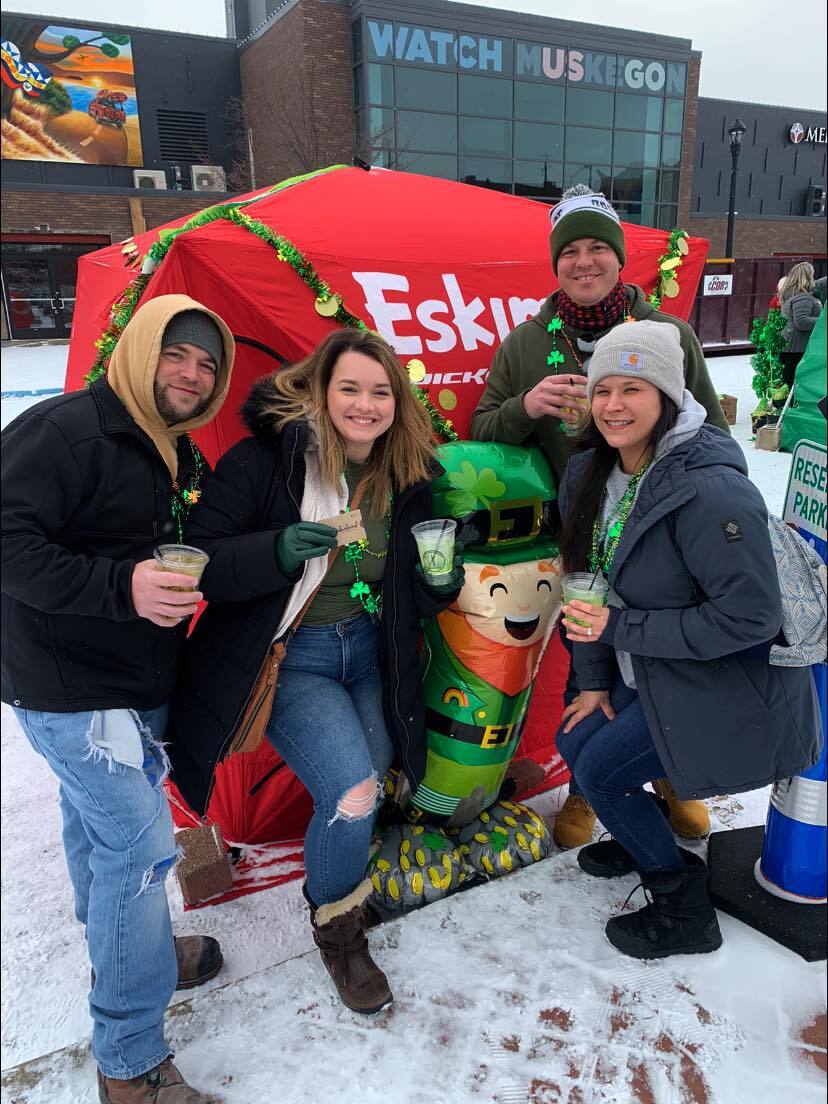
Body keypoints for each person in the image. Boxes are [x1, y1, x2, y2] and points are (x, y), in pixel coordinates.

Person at [166, 328, 463, 1015]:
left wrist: (438, 584)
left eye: (381, 392)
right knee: (352, 790)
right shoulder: (265, 462)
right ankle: (338, 929)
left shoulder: (408, 471)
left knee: (372, 773)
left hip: (370, 650)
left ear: (398, 402)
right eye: (349, 388)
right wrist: (274, 550)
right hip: (293, 658)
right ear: (320, 392)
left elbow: (408, 584)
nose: (365, 405)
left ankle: (341, 880)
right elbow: (203, 560)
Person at [1, 295, 235, 1104]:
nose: (192, 375)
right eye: (178, 354)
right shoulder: (66, 431)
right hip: (69, 687)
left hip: (136, 682)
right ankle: (130, 1063)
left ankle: (128, 953)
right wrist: (119, 585)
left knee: (97, 832)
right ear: (140, 351)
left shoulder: (180, 454)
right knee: (139, 852)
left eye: (207, 364)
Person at [471, 185, 728, 849]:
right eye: (570, 252)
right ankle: (589, 784)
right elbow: (480, 430)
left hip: (664, 534)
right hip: (581, 537)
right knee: (591, 659)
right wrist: (525, 407)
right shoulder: (526, 345)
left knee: (665, 661)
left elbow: (712, 431)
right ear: (555, 264)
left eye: (597, 248)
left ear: (619, 257)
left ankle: (671, 775)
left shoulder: (667, 335)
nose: (583, 262)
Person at [554, 320, 821, 959]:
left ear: (668, 396)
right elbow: (587, 582)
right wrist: (593, 680)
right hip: (649, 666)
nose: (613, 405)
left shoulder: (710, 490)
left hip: (722, 680)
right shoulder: (590, 472)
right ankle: (641, 832)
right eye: (602, 390)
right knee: (574, 737)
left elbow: (749, 618)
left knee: (601, 773)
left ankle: (683, 907)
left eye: (633, 389)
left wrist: (619, 629)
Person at [779, 261, 822, 389]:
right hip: (798, 350)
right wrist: (823, 321)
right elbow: (802, 322)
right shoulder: (803, 298)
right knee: (793, 386)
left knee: (788, 385)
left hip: (790, 348)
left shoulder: (792, 295)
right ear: (807, 277)